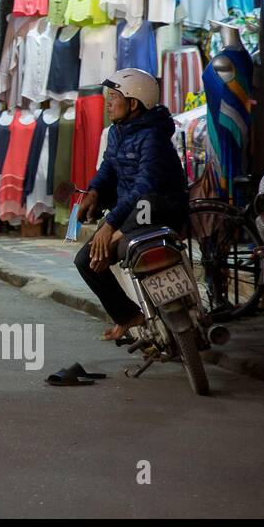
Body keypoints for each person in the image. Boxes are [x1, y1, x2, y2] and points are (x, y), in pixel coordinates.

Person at [74, 68, 188, 340]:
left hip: (160, 210)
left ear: (133, 103)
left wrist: (110, 225)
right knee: (85, 261)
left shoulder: (153, 136)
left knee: (118, 243)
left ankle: (115, 236)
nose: (108, 103)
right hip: (133, 213)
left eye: (114, 96)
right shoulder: (117, 132)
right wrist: (93, 191)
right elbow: (108, 168)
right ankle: (129, 316)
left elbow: (145, 186)